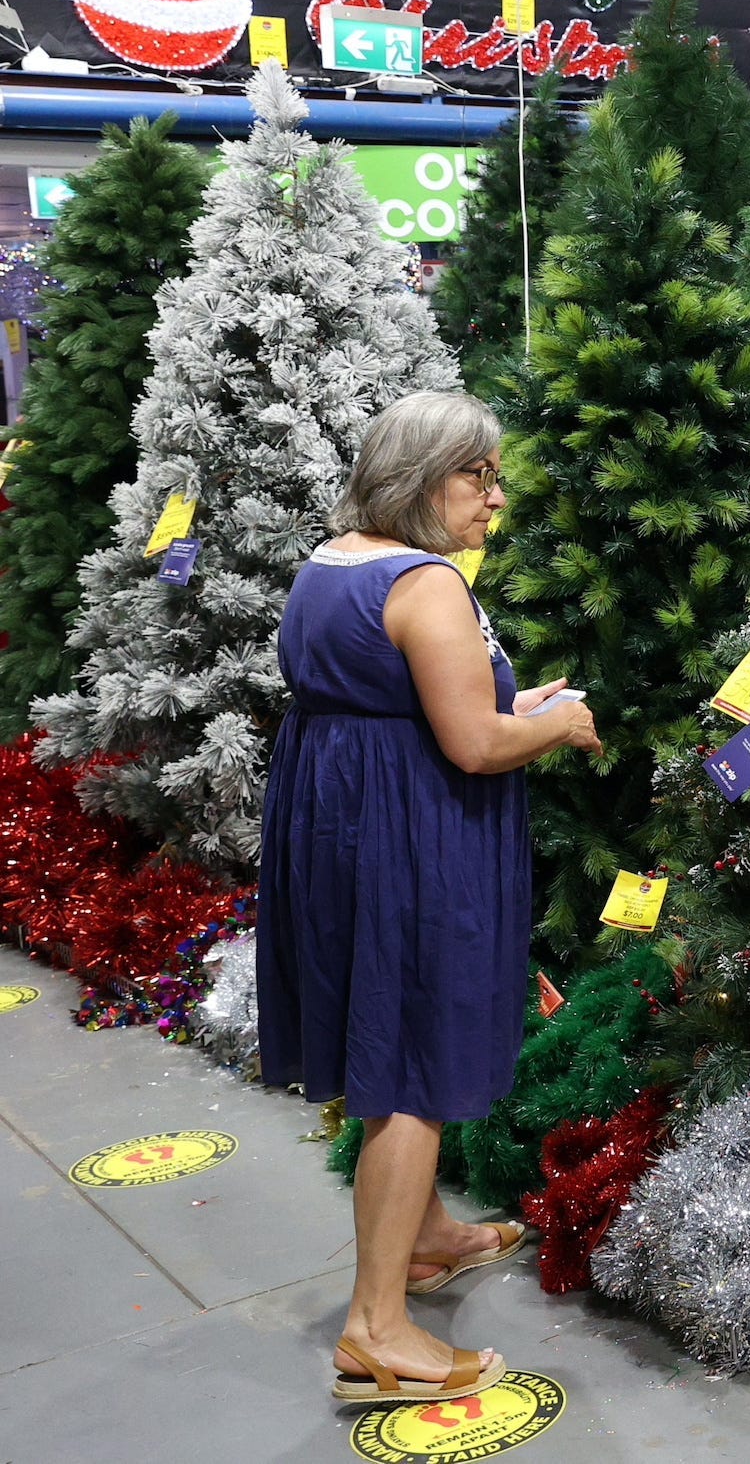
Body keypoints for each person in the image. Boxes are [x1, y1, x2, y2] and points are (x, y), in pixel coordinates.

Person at [257, 390, 601, 1405]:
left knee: (392, 1035)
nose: (495, 497)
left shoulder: (333, 564)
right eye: (476, 475)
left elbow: (404, 700)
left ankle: (428, 1237)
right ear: (419, 480)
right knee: (412, 1061)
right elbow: (474, 742)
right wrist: (559, 722)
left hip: (349, 832)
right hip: (414, 841)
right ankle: (376, 1328)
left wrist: (510, 699)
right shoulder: (427, 584)